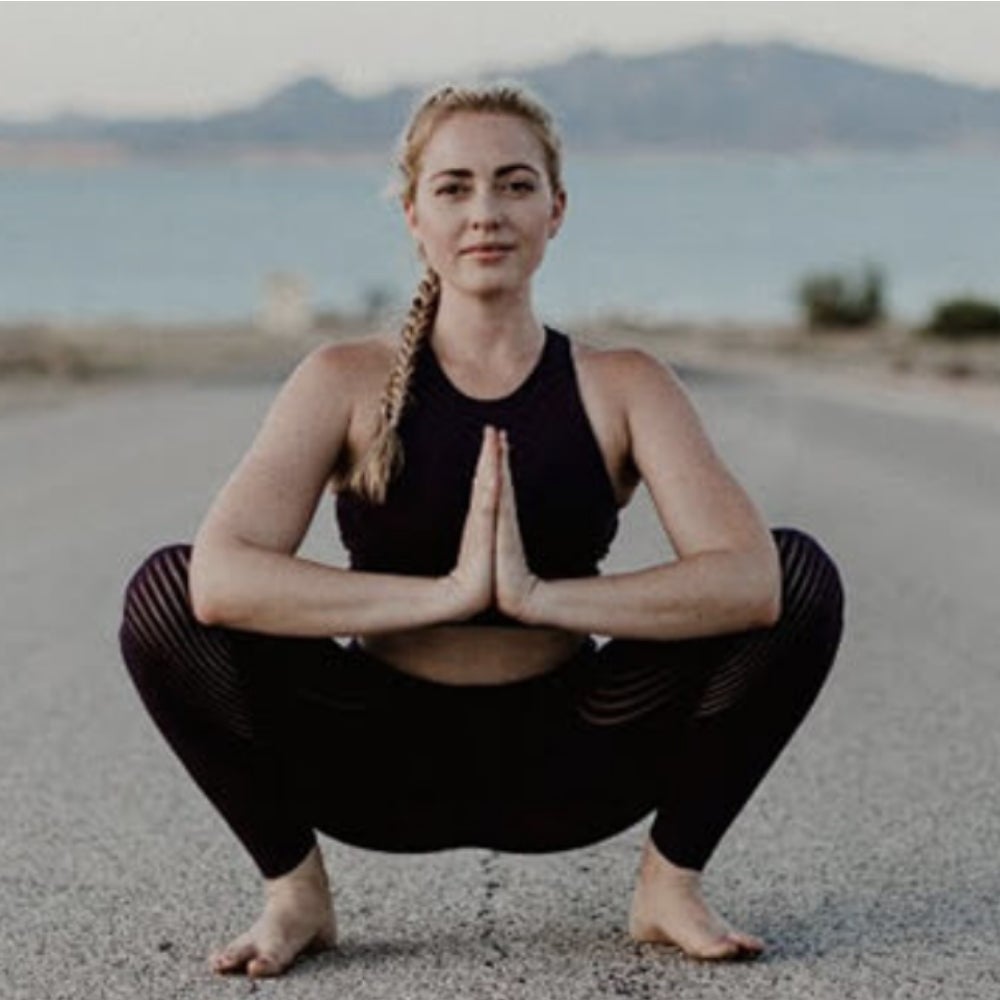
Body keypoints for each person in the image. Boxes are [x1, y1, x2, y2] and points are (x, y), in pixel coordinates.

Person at [119, 83, 843, 979]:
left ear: (556, 209)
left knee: (803, 573)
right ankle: (295, 895)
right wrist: (446, 596)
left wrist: (538, 599)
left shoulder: (624, 384)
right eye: (454, 188)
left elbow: (750, 582)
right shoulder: (343, 379)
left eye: (515, 184)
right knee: (162, 593)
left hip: (575, 753)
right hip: (374, 757)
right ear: (413, 215)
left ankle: (668, 887)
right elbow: (220, 580)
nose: (486, 213)